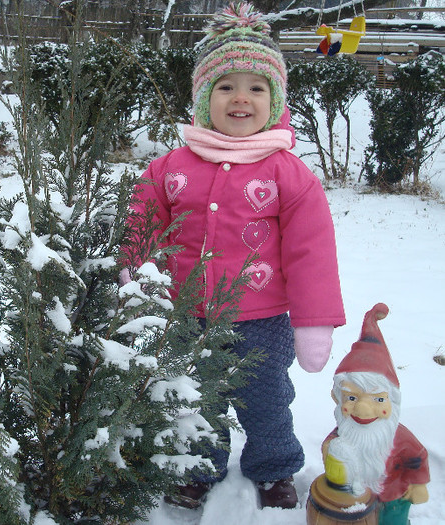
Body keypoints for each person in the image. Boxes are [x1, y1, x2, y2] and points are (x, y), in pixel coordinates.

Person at [122, 2, 345, 509]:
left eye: (256, 87)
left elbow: (311, 250)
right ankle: (199, 465)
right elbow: (141, 226)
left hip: (261, 318)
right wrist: (134, 282)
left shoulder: (288, 173)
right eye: (225, 87)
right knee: (195, 398)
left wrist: (314, 322)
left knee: (266, 399)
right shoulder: (168, 168)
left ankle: (273, 469)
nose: (240, 98)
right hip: (184, 314)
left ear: (276, 100)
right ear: (203, 99)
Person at [322, 303, 429, 525]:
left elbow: (416, 457)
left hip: (393, 497)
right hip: (353, 497)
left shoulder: (399, 438)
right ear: (338, 398)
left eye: (378, 399)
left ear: (393, 401)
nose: (362, 409)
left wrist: (418, 485)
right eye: (351, 398)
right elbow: (330, 452)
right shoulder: (343, 434)